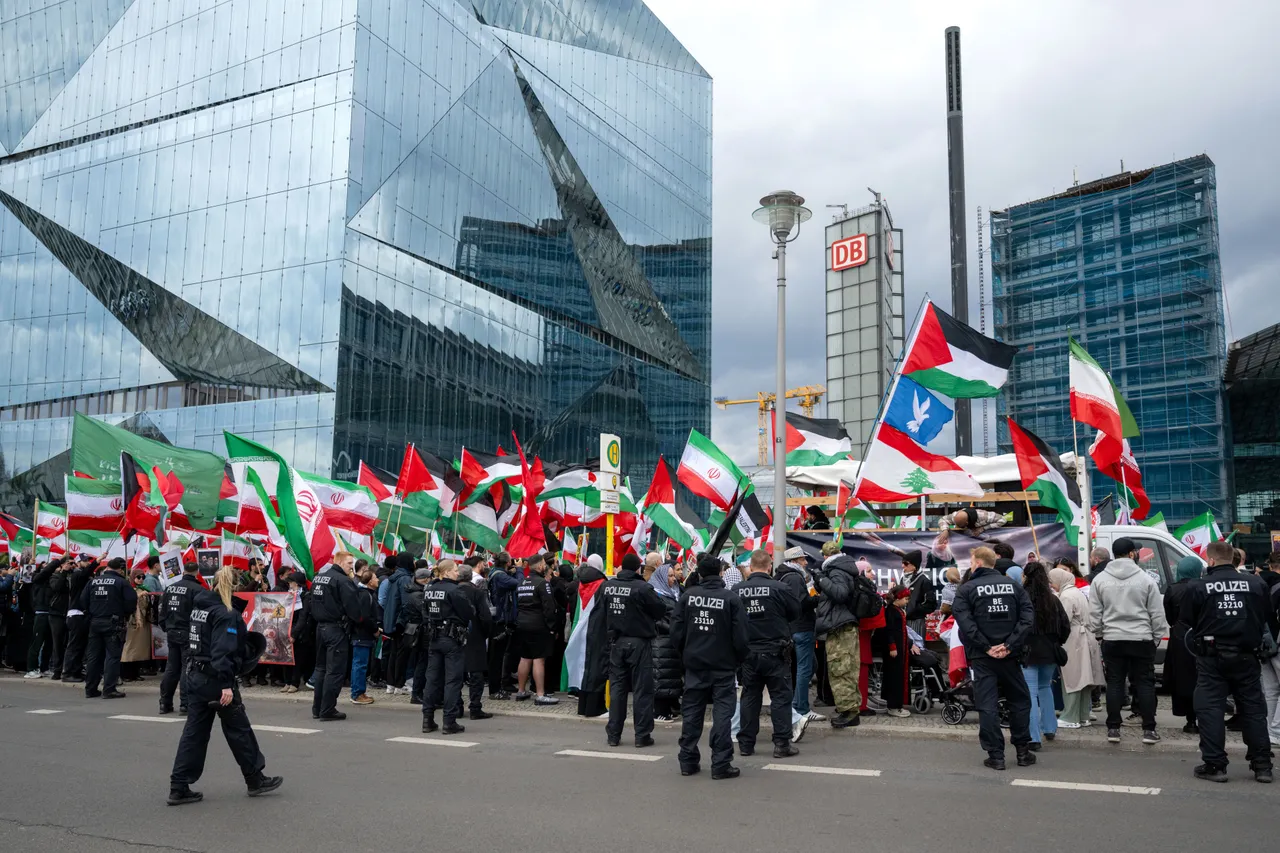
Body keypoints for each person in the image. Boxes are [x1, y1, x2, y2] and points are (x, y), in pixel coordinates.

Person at [167, 567, 282, 806]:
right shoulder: (226, 614)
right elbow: (223, 652)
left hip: (195, 676)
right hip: (215, 679)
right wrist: (227, 685)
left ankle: (179, 785)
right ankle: (255, 779)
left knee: (194, 733)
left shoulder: (200, 606)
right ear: (235, 586)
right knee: (239, 729)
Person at [1180, 540, 1277, 783]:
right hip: (1247, 655)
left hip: (1211, 657)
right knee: (1253, 709)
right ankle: (1262, 765)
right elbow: (1266, 616)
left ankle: (1215, 765)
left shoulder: (1198, 586)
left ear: (1211, 560)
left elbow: (1187, 620)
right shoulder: (1256, 583)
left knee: (1210, 709)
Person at [953, 546, 1035, 770]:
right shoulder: (1014, 586)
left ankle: (996, 755)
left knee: (987, 704)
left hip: (983, 657)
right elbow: (1027, 619)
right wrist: (1010, 645)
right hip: (1011, 655)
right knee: (1019, 701)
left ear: (978, 563)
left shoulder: (967, 589)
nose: (971, 566)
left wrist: (986, 647)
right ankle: (1022, 751)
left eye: (971, 562)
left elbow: (965, 624)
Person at [672, 555, 748, 779]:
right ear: (721, 572)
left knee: (692, 713)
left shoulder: (688, 596)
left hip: (695, 664)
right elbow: (741, 637)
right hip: (723, 666)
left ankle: (687, 761)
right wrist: (738, 660)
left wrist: (685, 655)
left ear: (700, 573)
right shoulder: (731, 599)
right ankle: (721, 763)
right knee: (723, 714)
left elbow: (676, 632)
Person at [1088, 537, 1168, 745]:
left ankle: (1113, 728)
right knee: (1145, 683)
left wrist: (1099, 633)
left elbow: (1094, 612)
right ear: (1132, 554)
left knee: (1114, 682)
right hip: (1141, 637)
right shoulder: (1145, 579)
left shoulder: (1100, 579)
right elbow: (1157, 613)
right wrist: (1156, 636)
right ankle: (1149, 730)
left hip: (1112, 637)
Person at [734, 549, 803, 758]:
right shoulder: (780, 588)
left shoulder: (737, 590)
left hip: (749, 653)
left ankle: (746, 744)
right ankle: (782, 744)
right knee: (780, 698)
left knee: (749, 698)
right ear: (769, 566)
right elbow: (795, 613)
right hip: (776, 651)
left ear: (750, 567)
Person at [599, 552, 667, 748]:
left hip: (616, 642)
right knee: (642, 690)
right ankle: (642, 735)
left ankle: (613, 735)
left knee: (617, 690)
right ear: (638, 568)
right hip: (639, 643)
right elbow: (660, 609)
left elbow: (601, 611)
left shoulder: (607, 586)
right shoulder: (643, 588)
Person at [811, 540, 872, 729]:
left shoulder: (836, 570)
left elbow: (840, 593)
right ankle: (848, 708)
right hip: (844, 625)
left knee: (840, 670)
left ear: (826, 556)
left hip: (840, 627)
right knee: (847, 669)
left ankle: (849, 713)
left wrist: (821, 579)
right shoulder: (843, 568)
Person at [421, 559, 474, 735]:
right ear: (446, 572)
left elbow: (424, 612)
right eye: (455, 570)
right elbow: (468, 612)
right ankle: (449, 721)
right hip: (451, 638)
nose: (458, 573)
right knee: (452, 680)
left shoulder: (429, 589)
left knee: (432, 679)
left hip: (434, 637)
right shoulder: (454, 589)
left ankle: (427, 720)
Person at [310, 552, 364, 721]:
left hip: (320, 628)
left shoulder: (319, 578)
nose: (351, 567)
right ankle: (327, 709)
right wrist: (359, 620)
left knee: (321, 669)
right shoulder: (342, 581)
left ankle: (318, 708)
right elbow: (353, 608)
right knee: (335, 671)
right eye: (349, 563)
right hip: (336, 629)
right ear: (339, 562)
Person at [1020, 562, 1069, 749]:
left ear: (1025, 577)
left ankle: (1033, 737)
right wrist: (1057, 642)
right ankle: (1049, 728)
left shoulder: (1021, 599)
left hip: (1027, 651)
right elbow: (1065, 626)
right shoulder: (1053, 599)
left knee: (1030, 692)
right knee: (1045, 687)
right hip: (1050, 650)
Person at [1049, 568, 1103, 728]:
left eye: (1052, 582)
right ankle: (1083, 715)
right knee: (1084, 679)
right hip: (1086, 637)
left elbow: (1063, 620)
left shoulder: (1066, 596)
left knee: (1072, 678)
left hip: (1074, 639)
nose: (1052, 585)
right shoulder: (1077, 592)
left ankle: (1070, 717)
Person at [80, 557, 137, 699]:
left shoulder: (93, 581)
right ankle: (109, 689)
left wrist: (91, 613)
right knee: (113, 656)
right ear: (121, 569)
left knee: (94, 657)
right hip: (113, 622)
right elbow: (131, 601)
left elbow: (83, 600)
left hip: (95, 622)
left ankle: (90, 689)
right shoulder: (121, 582)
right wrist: (125, 614)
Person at [776, 547, 822, 722]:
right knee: (805, 668)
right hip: (802, 627)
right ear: (795, 561)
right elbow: (801, 603)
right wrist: (817, 598)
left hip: (791, 628)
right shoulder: (795, 577)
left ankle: (795, 702)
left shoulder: (782, 576)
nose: (806, 562)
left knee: (810, 666)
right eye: (803, 559)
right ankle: (801, 708)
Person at [1163, 556, 1204, 733]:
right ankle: (1203, 716)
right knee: (1202, 678)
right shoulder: (1203, 587)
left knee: (1183, 679)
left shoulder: (1173, 589)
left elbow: (1170, 618)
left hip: (1180, 639)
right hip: (1201, 637)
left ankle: (1190, 719)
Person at [158, 562, 205, 714]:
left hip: (172, 631)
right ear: (197, 572)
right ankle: (185, 703)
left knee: (172, 668)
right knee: (187, 668)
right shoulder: (198, 589)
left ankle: (165, 703)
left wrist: (167, 627)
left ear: (183, 571)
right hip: (188, 632)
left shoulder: (170, 588)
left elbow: (162, 611)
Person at [513, 554, 559, 704]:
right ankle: (540, 694)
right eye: (544, 563)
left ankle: (521, 691)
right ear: (540, 566)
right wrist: (552, 627)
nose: (545, 566)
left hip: (522, 624)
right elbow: (549, 608)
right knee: (539, 659)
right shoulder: (542, 583)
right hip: (538, 625)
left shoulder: (522, 582)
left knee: (525, 657)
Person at [645, 557, 684, 722]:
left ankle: (669, 707)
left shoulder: (672, 593)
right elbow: (659, 620)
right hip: (661, 642)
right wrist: (675, 629)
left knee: (669, 677)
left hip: (670, 642)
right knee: (661, 677)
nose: (673, 579)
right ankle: (659, 711)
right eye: (670, 576)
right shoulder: (657, 595)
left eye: (673, 575)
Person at [455, 563, 493, 720]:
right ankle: (475, 707)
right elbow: (485, 616)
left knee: (456, 673)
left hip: (455, 635)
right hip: (475, 634)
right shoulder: (476, 592)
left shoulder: (453, 590)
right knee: (476, 672)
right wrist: (485, 633)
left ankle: (457, 706)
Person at [575, 555, 610, 717]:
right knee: (598, 667)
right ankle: (595, 708)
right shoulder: (602, 584)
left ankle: (583, 706)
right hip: (598, 629)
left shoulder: (581, 581)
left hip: (582, 628)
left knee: (584, 669)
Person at [873, 586, 913, 718]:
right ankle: (893, 706)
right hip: (894, 650)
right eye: (905, 598)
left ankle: (897, 704)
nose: (907, 601)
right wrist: (892, 647)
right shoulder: (890, 611)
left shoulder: (897, 610)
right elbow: (888, 630)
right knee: (894, 677)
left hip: (900, 648)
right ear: (898, 598)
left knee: (898, 676)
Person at [486, 552, 520, 699]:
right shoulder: (500, 576)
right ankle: (494, 690)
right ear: (508, 562)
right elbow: (518, 583)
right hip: (499, 620)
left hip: (499, 618)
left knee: (497, 657)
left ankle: (497, 688)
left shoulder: (497, 573)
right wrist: (519, 569)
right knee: (496, 658)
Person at [381, 554, 414, 696]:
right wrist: (404, 620)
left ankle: (391, 684)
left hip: (391, 620)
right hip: (400, 622)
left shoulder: (393, 578)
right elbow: (406, 602)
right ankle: (399, 685)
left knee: (393, 653)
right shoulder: (405, 578)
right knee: (401, 655)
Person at [350, 568, 381, 706]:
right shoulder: (365, 595)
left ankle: (359, 692)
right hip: (362, 634)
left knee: (360, 664)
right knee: (360, 665)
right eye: (375, 578)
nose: (378, 580)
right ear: (369, 582)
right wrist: (375, 630)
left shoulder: (366, 594)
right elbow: (365, 617)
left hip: (362, 634)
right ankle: (357, 694)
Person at [61, 556, 95, 682]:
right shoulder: (76, 575)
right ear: (78, 562)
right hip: (75, 614)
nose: (88, 563)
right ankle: (67, 673)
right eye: (85, 561)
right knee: (74, 645)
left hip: (83, 614)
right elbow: (85, 573)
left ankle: (76, 671)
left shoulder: (85, 577)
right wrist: (97, 562)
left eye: (89, 561)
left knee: (80, 646)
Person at [900, 549, 936, 639]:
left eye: (906, 563)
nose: (902, 566)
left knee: (917, 646)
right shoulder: (902, 579)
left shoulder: (924, 580)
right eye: (902, 563)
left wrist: (914, 610)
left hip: (916, 621)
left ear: (914, 566)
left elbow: (931, 604)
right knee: (904, 646)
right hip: (902, 620)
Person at [936, 508, 1006, 541]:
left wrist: (983, 528)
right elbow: (942, 519)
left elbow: (1003, 520)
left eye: (960, 525)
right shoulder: (955, 516)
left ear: (966, 523)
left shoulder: (984, 516)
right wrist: (945, 530)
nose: (957, 526)